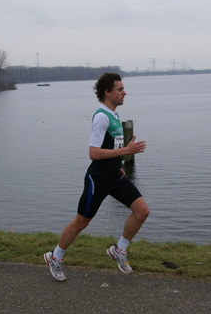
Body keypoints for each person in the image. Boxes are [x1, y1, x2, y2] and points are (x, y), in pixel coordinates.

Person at [44, 73, 150, 282]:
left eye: (123, 89)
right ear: (107, 93)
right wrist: (125, 151)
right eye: (120, 89)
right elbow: (93, 152)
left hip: (114, 175)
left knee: (142, 211)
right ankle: (55, 257)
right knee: (81, 222)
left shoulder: (114, 115)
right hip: (98, 178)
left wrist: (118, 164)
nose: (124, 92)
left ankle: (119, 249)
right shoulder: (101, 116)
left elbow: (111, 147)